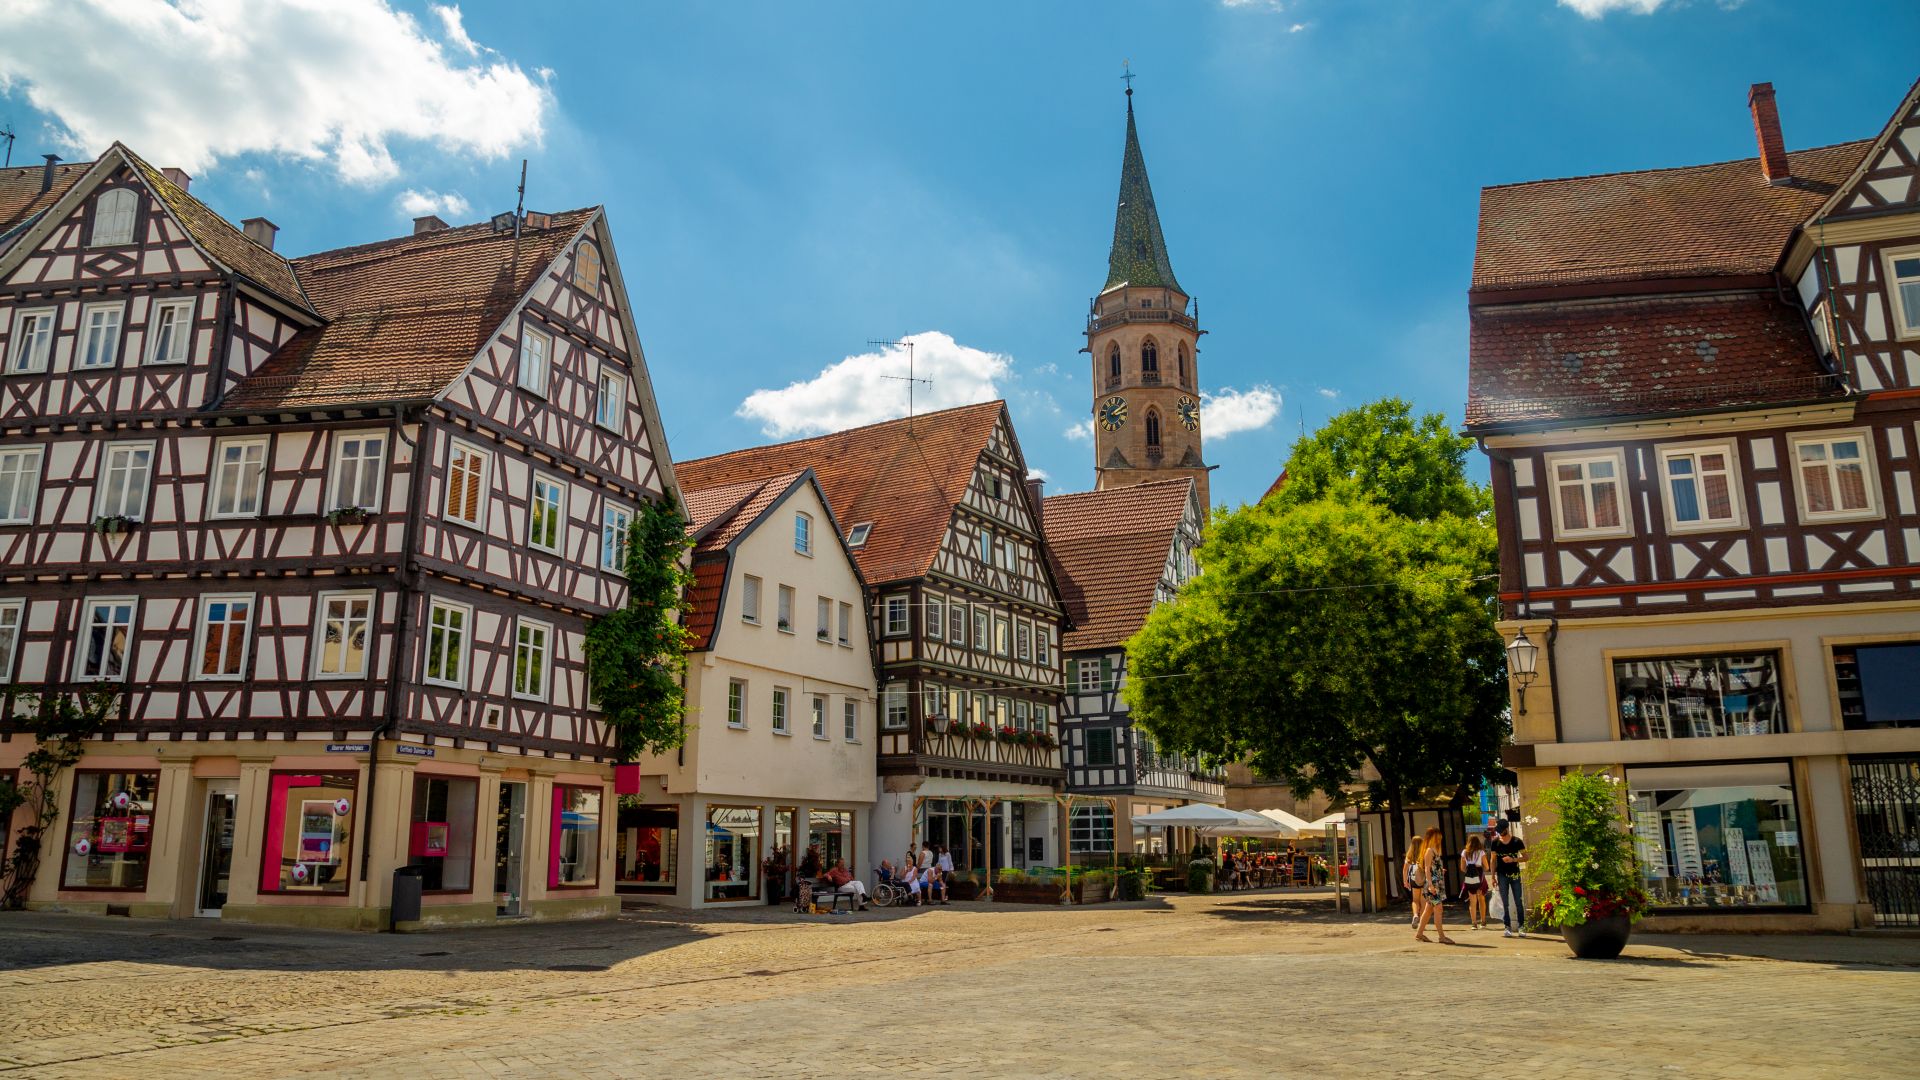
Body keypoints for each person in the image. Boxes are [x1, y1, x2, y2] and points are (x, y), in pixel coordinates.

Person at [1412, 826, 1454, 945]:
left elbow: (1432, 867)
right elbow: (1426, 869)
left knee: (1428, 910)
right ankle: (1441, 936)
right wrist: (1430, 884)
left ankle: (1419, 934)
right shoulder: (1429, 850)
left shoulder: (1434, 849)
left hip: (1436, 884)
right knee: (1438, 909)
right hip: (1433, 885)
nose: (1440, 838)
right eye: (1437, 835)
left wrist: (1441, 870)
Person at [1491, 818, 1527, 938]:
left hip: (1515, 874)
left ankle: (1521, 926)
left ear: (1507, 828)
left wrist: (1513, 859)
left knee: (1518, 901)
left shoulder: (1517, 842)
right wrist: (1492, 876)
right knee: (1504, 902)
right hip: (1501, 875)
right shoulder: (1495, 842)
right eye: (1499, 831)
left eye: (1502, 830)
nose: (1500, 833)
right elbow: (1492, 860)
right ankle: (1507, 927)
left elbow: (1526, 857)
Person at [1459, 834, 1490, 930]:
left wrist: (1469, 870)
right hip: (1479, 876)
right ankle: (1483, 921)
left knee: (1472, 901)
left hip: (1469, 877)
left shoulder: (1464, 852)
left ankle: (1474, 923)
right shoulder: (1481, 852)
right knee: (1481, 899)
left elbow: (1462, 868)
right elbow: (1487, 867)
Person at [1402, 841, 1427, 929]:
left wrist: (1405, 881)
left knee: (1415, 900)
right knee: (1423, 901)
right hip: (1424, 879)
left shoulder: (1409, 856)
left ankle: (1415, 915)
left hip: (1413, 879)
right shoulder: (1424, 854)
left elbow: (1405, 870)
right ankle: (1422, 922)